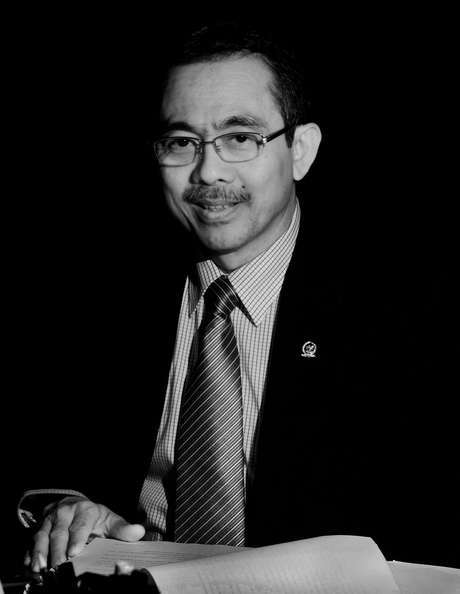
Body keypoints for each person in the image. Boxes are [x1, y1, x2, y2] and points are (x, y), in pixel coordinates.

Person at [20, 20, 457, 573]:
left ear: (301, 151)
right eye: (182, 142)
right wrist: (64, 506)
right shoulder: (95, 291)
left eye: (240, 138)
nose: (208, 171)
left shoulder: (406, 313)